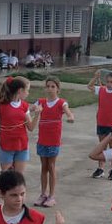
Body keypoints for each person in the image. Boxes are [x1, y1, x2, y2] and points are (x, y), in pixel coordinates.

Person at [33, 76, 75, 207]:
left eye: (53, 87)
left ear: (58, 89)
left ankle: (51, 196)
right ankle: (43, 194)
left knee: (51, 166)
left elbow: (69, 113)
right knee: (43, 167)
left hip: (53, 140)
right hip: (42, 140)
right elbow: (27, 109)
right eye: (48, 86)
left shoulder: (61, 103)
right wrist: (32, 111)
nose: (50, 89)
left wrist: (70, 117)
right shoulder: (40, 102)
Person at [88, 70, 112, 178]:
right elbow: (89, 86)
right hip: (101, 121)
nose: (109, 84)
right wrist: (95, 77)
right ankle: (100, 168)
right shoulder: (101, 90)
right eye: (108, 82)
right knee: (102, 145)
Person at [0, 76, 37, 175]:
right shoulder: (1, 105)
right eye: (27, 90)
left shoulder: (24, 105)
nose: (28, 93)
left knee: (19, 177)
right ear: (20, 91)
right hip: (6, 145)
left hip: (21, 145)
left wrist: (37, 114)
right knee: (6, 176)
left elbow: (30, 127)